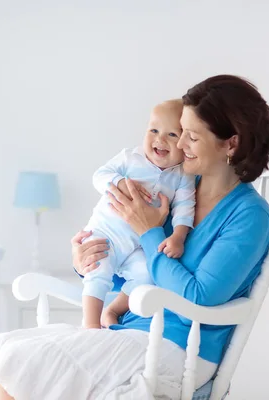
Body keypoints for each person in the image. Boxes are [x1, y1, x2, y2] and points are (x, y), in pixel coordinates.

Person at [0, 75, 269, 400]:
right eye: (180, 132)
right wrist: (90, 260)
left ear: (231, 144)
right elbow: (135, 269)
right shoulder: (173, 189)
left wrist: (149, 230)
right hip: (134, 329)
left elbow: (196, 298)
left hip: (179, 348)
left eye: (191, 137)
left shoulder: (249, 216)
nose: (179, 145)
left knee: (18, 364)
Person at [81, 99, 196, 330]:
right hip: (106, 234)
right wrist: (119, 182)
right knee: (98, 270)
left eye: (172, 134)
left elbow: (185, 208)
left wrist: (178, 237)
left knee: (147, 275)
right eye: (153, 130)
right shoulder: (129, 158)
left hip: (138, 245)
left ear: (184, 143)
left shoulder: (183, 175)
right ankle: (90, 325)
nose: (160, 139)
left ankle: (112, 310)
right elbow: (99, 175)